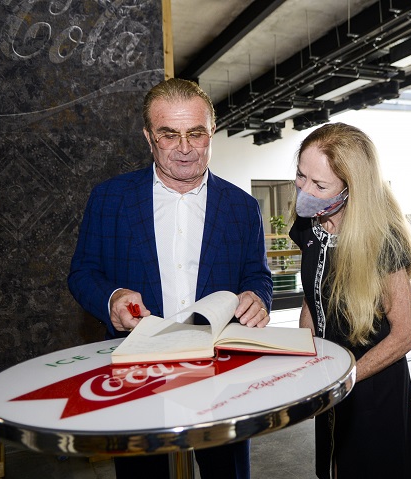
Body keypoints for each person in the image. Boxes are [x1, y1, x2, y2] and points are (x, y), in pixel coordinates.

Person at [68, 78, 273, 479]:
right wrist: (112, 298)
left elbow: (257, 275)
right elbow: (83, 272)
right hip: (137, 372)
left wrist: (256, 296)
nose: (184, 147)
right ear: (149, 137)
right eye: (169, 134)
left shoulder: (243, 207)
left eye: (196, 133)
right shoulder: (109, 199)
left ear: (212, 131)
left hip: (221, 373)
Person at [288, 123, 411, 478]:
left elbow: (405, 334)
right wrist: (306, 355)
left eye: (320, 185)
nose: (305, 191)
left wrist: (346, 377)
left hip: (373, 383)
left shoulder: (382, 238)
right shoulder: (309, 226)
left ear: (352, 188)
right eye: (301, 176)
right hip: (330, 381)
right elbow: (312, 297)